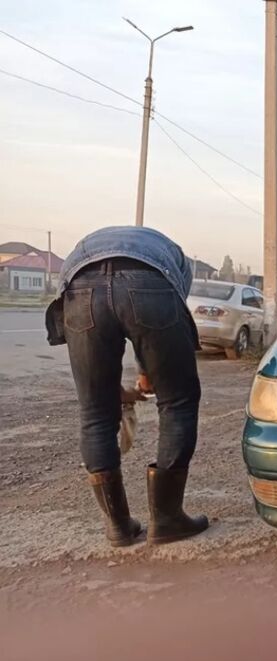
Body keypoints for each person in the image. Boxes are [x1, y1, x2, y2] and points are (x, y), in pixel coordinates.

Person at [45, 226, 209, 546]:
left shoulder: (86, 245)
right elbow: (164, 314)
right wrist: (148, 372)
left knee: (95, 411)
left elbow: (96, 371)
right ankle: (167, 518)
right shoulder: (176, 257)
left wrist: (110, 387)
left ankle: (118, 526)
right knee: (178, 401)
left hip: (80, 287)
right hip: (149, 283)